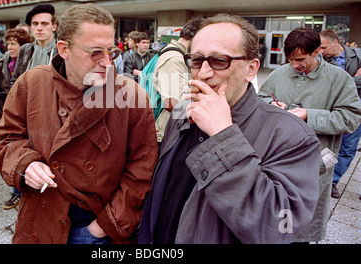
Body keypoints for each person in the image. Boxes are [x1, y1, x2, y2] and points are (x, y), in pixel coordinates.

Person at [139, 14, 321, 244]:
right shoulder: (182, 113)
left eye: (219, 61)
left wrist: (223, 135)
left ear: (251, 69)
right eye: (196, 60)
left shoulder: (290, 135)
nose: (203, 73)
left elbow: (278, 227)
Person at [0, 3, 158, 244]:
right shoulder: (32, 82)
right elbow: (7, 139)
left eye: (111, 51)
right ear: (64, 49)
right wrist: (25, 164)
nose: (107, 62)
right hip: (41, 216)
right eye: (95, 53)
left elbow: (142, 171)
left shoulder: (132, 96)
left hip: (96, 225)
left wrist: (103, 227)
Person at [258, 27, 361, 243]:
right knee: (274, 218)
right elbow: (261, 99)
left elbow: (351, 118)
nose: (295, 65)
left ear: (317, 52)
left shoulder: (339, 79)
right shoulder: (279, 74)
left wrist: (309, 115)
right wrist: (272, 105)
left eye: (300, 59)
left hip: (316, 162)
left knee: (303, 226)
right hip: (278, 160)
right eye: (291, 59)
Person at [0, 28, 32, 210]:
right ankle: (16, 192)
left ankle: (27, 190)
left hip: (27, 114)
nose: (10, 47)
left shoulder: (30, 62)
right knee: (10, 151)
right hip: (5, 112)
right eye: (8, 43)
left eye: (14, 43)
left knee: (27, 151)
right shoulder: (3, 61)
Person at [319, 29, 361, 198]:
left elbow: (338, 82)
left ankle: (333, 181)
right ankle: (322, 177)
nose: (321, 51)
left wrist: (344, 81)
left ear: (336, 42)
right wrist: (355, 79)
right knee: (328, 147)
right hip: (333, 109)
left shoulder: (357, 55)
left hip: (356, 110)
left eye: (323, 47)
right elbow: (327, 82)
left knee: (348, 148)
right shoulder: (322, 61)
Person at [153, 16, 203, 142]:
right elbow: (174, 103)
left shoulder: (180, 56)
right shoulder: (174, 59)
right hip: (168, 133)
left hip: (174, 129)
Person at [12, 3, 58, 84]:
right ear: (31, 27)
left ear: (54, 26)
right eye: (35, 24)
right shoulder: (25, 49)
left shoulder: (62, 50)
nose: (39, 28)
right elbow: (16, 80)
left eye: (45, 24)